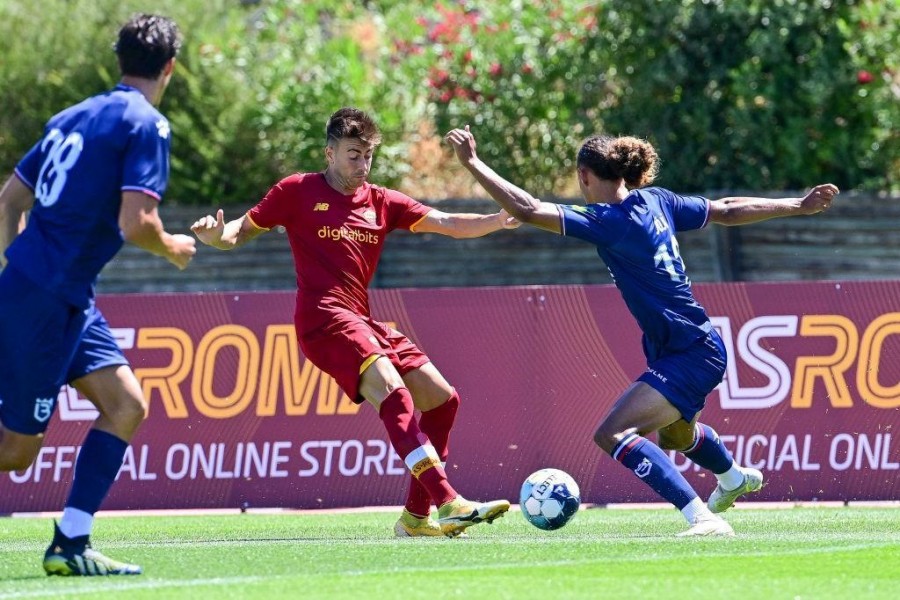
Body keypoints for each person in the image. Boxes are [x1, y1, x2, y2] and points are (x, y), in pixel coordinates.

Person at [446, 126, 839, 536]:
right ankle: (732, 477)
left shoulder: (607, 221)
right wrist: (797, 204)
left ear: (584, 175)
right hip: (687, 344)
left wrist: (473, 162)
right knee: (675, 436)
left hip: (690, 349)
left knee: (611, 432)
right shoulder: (658, 199)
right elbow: (725, 208)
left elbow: (527, 209)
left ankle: (702, 518)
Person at [191, 107, 515, 538]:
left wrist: (497, 220)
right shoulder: (295, 191)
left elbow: (448, 222)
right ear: (329, 153)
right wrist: (218, 237)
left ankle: (416, 518)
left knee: (442, 399)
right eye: (352, 155)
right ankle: (448, 501)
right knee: (394, 395)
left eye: (367, 156)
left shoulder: (381, 201)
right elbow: (239, 232)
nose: (362, 165)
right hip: (323, 319)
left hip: (363, 320)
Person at [0, 14, 196, 575]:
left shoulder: (71, 115)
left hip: (61, 296)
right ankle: (70, 544)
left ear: (120, 60)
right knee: (15, 452)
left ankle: (70, 543)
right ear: (170, 68)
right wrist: (175, 250)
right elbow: (137, 223)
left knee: (127, 405)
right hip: (47, 299)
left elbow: (8, 202)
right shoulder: (147, 125)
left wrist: (14, 271)